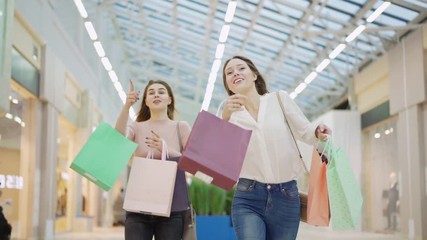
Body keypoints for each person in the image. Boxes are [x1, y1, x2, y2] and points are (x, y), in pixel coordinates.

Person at [221, 55, 331, 240]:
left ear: (254, 75)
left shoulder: (279, 100)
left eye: (241, 68)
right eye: (229, 73)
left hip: (286, 195)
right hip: (248, 196)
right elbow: (220, 155)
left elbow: (305, 131)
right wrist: (224, 118)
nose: (235, 74)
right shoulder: (227, 113)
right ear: (228, 85)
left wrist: (318, 131)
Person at [115, 80, 192, 240]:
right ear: (146, 101)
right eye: (151, 92)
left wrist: (166, 149)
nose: (156, 94)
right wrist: (126, 107)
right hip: (138, 207)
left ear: (169, 100)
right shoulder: (136, 127)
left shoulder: (181, 127)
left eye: (161, 91)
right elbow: (118, 139)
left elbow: (193, 163)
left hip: (172, 207)